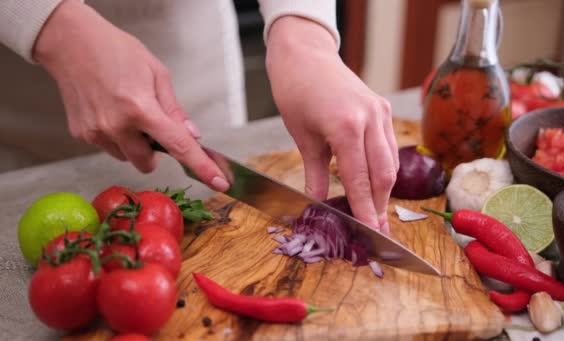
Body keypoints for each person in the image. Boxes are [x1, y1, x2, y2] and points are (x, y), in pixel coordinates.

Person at [0, 0, 398, 234]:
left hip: (187, 53)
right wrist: (49, 24)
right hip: (24, 90)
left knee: (215, 219)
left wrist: (303, 31)